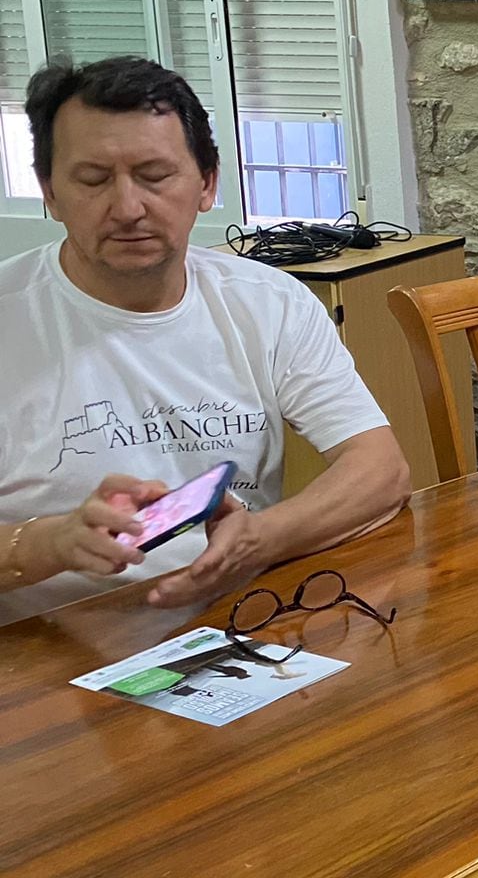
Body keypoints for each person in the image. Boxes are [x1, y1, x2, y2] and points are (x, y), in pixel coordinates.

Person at [0, 57, 410, 627]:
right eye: (92, 180)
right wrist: (50, 543)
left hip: (238, 621)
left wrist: (263, 537)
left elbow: (380, 469)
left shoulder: (268, 303)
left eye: (155, 175)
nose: (127, 208)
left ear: (207, 184)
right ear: (49, 192)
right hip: (44, 653)